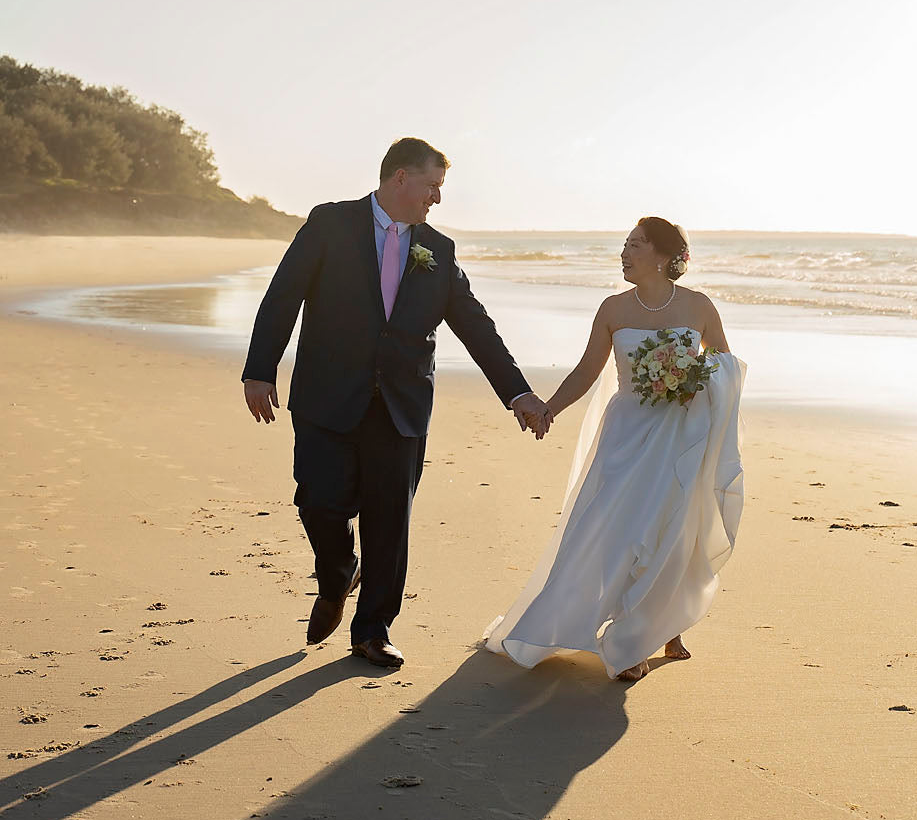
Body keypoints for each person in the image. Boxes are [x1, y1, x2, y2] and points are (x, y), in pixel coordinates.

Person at [242, 137, 552, 671]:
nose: (437, 198)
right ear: (400, 178)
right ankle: (338, 573)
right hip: (326, 397)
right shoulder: (329, 224)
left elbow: (475, 325)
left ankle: (373, 630)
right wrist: (260, 369)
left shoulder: (439, 250)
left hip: (402, 405)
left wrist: (517, 391)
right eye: (433, 186)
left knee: (390, 522)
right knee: (319, 502)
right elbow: (283, 293)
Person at [485, 216, 744, 682]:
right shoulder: (612, 309)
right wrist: (548, 409)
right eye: (625, 245)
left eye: (636, 245)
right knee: (619, 527)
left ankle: (651, 630)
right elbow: (586, 372)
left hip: (679, 436)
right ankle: (630, 628)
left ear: (664, 256)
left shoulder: (699, 307)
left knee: (671, 528)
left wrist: (690, 377)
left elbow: (724, 362)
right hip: (626, 434)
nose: (625, 253)